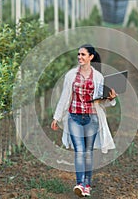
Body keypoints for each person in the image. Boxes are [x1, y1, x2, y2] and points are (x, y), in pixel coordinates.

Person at [51, 44, 117, 197]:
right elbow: (64, 97)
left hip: (92, 118)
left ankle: (87, 185)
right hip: (74, 117)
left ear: (91, 57)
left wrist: (111, 98)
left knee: (87, 152)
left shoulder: (98, 77)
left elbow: (101, 100)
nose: (80, 57)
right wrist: (57, 117)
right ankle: (80, 184)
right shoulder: (71, 75)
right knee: (79, 151)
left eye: (83, 55)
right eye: (78, 55)